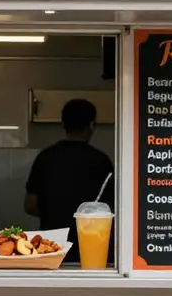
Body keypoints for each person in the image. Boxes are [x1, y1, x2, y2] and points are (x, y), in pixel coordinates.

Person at [24, 98, 114, 263]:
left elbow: (30, 205)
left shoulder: (46, 158)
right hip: (94, 250)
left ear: (63, 123)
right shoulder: (102, 162)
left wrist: (55, 215)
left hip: (52, 247)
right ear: (92, 125)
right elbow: (112, 208)